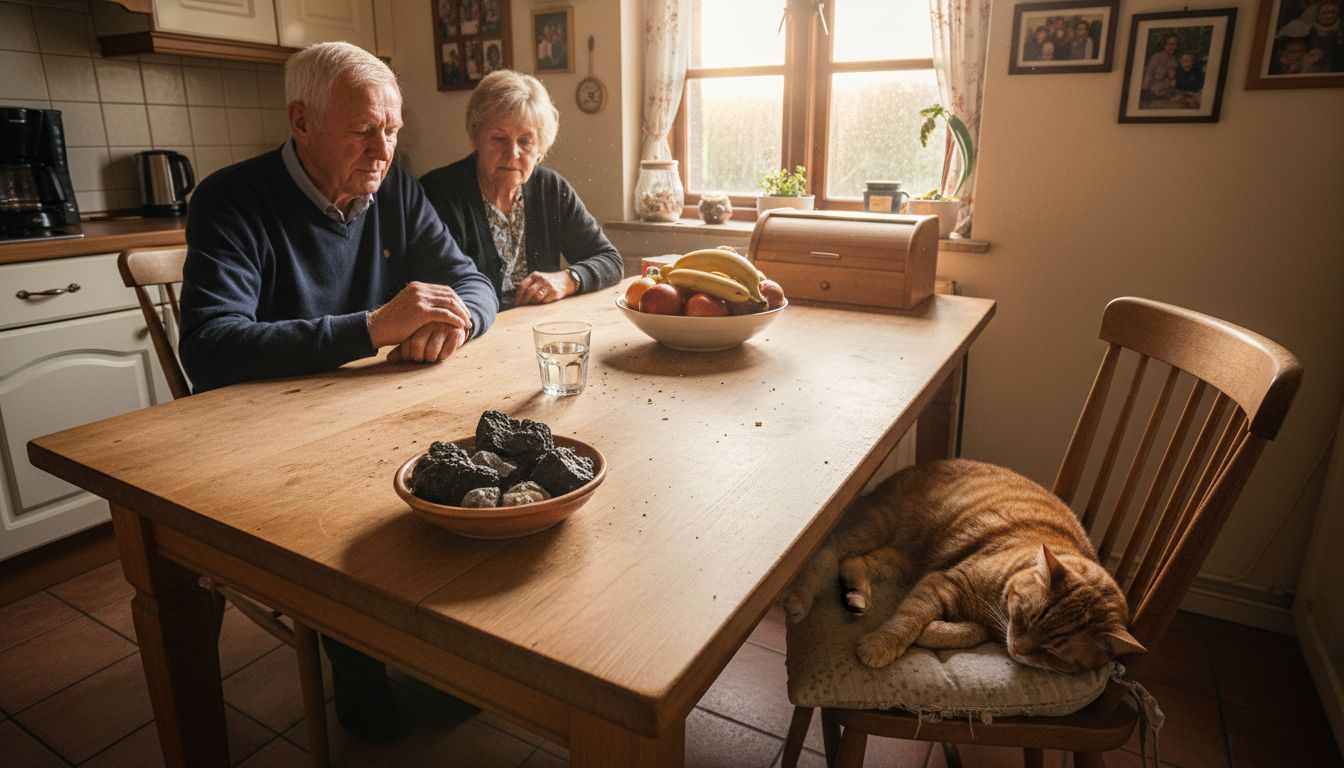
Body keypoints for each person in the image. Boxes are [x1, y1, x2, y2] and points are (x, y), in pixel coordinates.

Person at [179, 41, 497, 741]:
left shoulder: (395, 190)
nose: (383, 150)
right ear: (301, 121)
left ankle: (451, 647)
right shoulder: (231, 200)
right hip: (265, 437)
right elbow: (209, 347)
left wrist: (456, 322)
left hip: (365, 411)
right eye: (362, 130)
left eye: (392, 129)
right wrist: (374, 327)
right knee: (357, 506)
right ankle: (361, 668)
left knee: (472, 464)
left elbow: (472, 281)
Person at [420, 70, 622, 310]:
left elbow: (610, 260)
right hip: (473, 328)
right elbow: (437, 291)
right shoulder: (438, 193)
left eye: (525, 141)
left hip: (539, 326)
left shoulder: (551, 188)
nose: (512, 153)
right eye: (499, 138)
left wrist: (568, 279)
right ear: (475, 138)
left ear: (540, 150)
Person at [1141, 34, 1180, 106]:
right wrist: (1145, 89)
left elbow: (1172, 76)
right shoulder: (1157, 56)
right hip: (1153, 86)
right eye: (1168, 44)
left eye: (1173, 44)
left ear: (1176, 46)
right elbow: (1149, 73)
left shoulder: (1174, 59)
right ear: (1164, 45)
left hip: (1166, 86)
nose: (1170, 47)